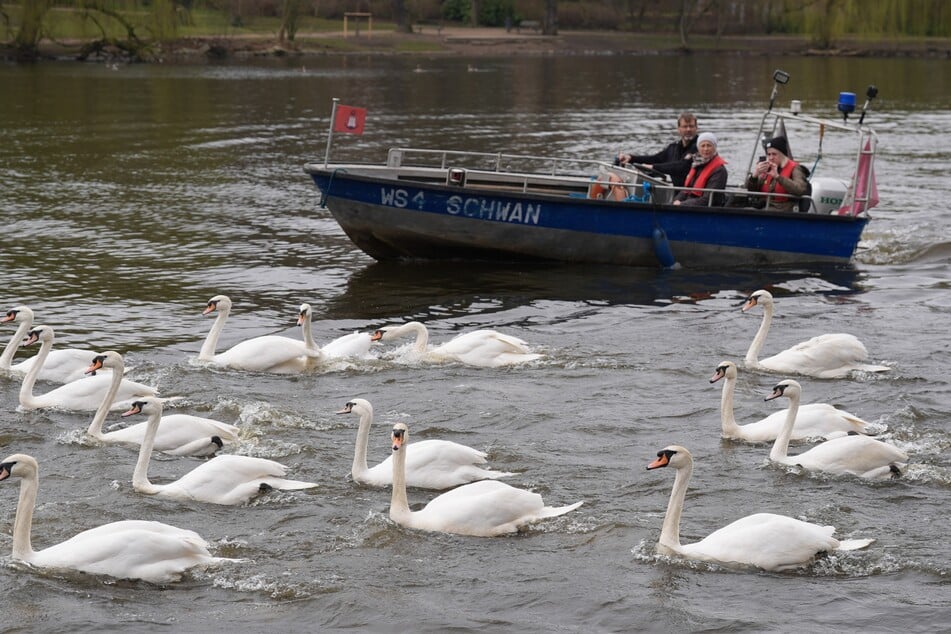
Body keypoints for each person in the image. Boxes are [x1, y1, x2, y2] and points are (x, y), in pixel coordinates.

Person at [616, 112, 699, 188]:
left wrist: (654, 167)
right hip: (677, 190)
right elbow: (656, 158)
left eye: (691, 126)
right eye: (685, 126)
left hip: (691, 193)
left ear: (696, 128)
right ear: (679, 129)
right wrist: (631, 158)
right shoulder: (673, 147)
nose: (688, 129)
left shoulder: (701, 147)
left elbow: (682, 167)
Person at [746, 136, 810, 211]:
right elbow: (752, 192)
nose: (771, 158)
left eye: (774, 154)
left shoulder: (795, 169)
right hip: (765, 206)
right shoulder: (767, 168)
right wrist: (755, 175)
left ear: (782, 155)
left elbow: (800, 189)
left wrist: (777, 177)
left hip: (783, 210)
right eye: (769, 154)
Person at [672, 132, 727, 207]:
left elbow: (708, 199)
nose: (706, 149)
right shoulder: (696, 165)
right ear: (698, 148)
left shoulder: (719, 171)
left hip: (706, 209)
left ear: (714, 147)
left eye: (709, 145)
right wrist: (676, 201)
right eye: (703, 146)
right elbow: (685, 190)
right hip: (689, 205)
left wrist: (682, 204)